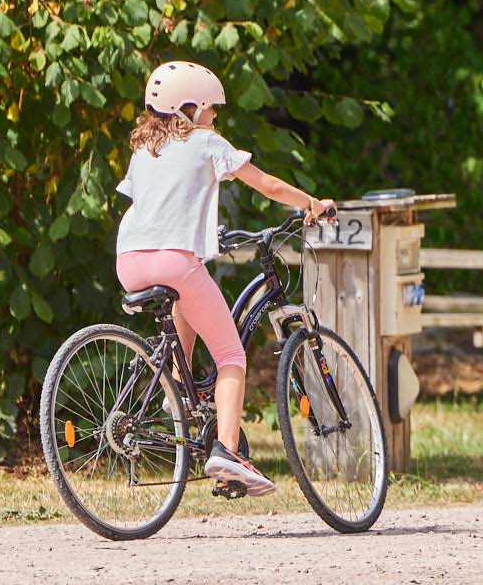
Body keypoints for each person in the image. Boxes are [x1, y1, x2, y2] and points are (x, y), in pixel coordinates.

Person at [115, 60, 335, 494]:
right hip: (174, 260)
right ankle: (229, 452)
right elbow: (268, 185)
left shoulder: (144, 150)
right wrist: (312, 202)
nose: (216, 116)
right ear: (189, 109)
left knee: (184, 304)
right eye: (211, 108)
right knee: (231, 357)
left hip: (128, 261)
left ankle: (176, 392)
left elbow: (157, 204)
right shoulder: (205, 142)